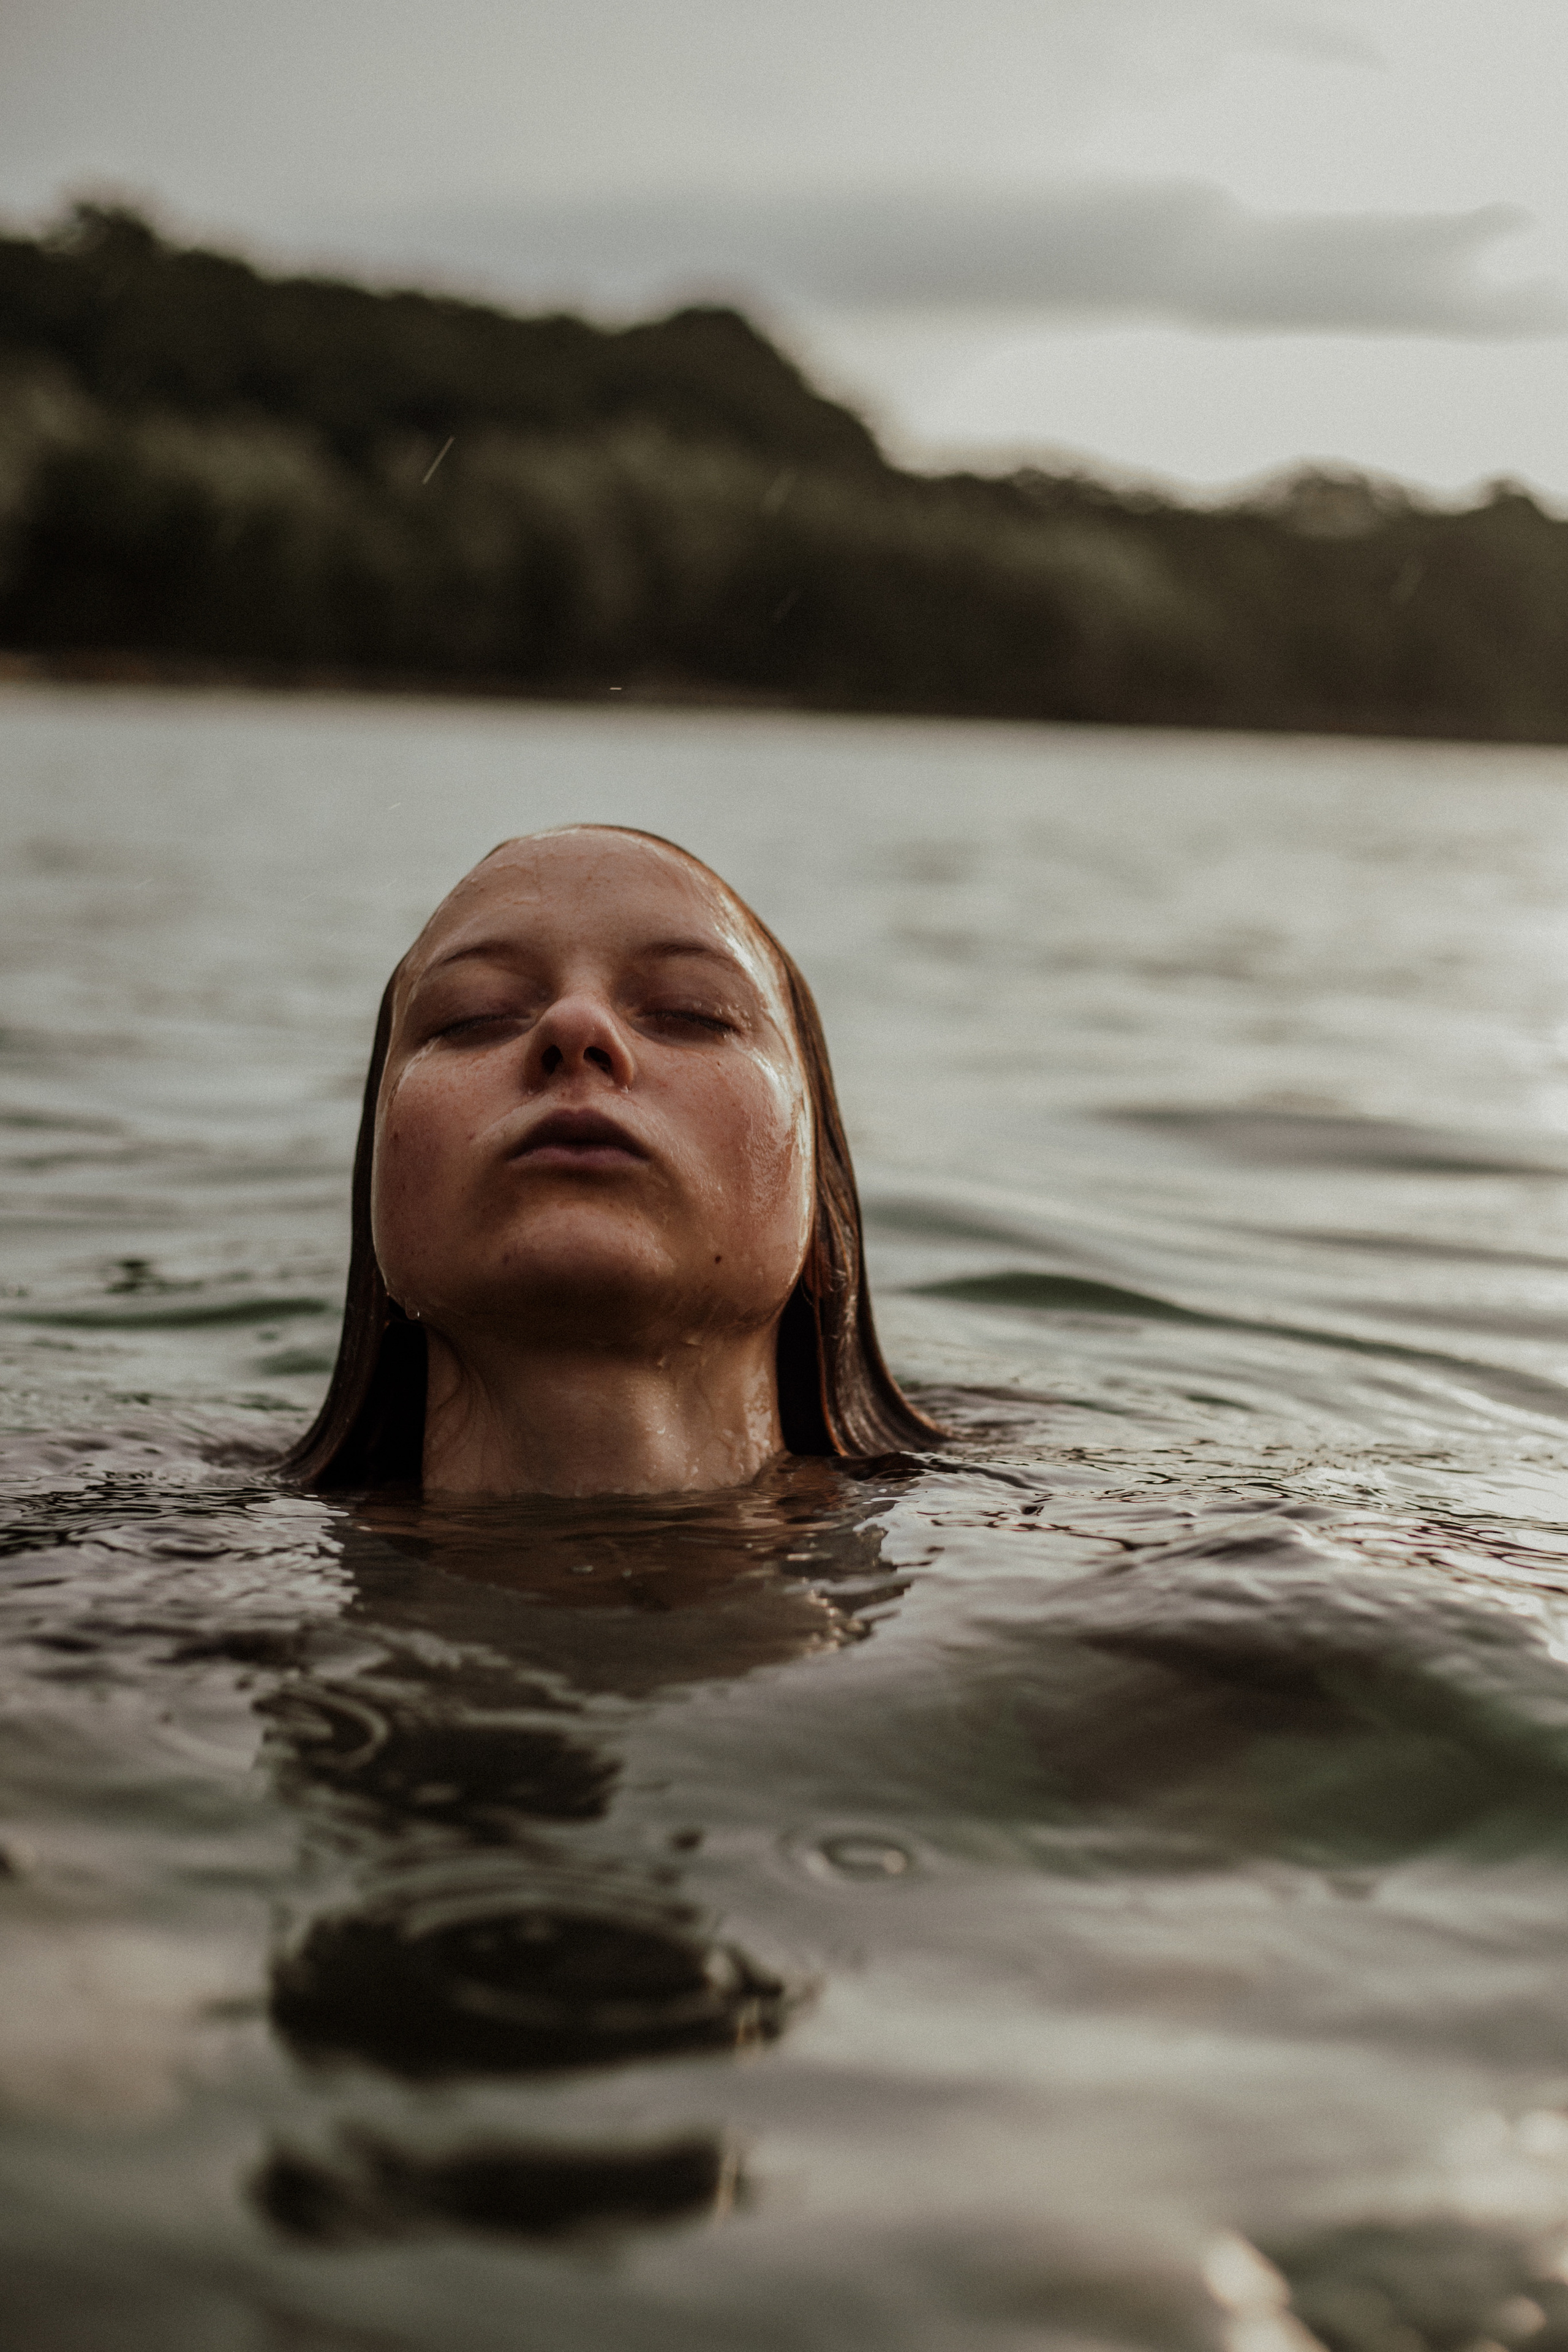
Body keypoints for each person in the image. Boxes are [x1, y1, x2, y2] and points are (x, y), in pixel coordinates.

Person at [284, 824, 938, 1494]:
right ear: (380, 1212)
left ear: (824, 1229)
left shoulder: (1024, 1532)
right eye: (470, 1016)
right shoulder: (181, 1541)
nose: (574, 1026)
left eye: (694, 1012)